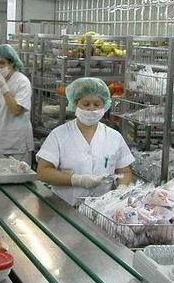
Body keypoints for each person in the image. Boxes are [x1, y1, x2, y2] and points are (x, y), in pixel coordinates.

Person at [36, 77, 134, 206]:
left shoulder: (114, 137)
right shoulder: (59, 135)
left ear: (105, 105)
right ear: (75, 104)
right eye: (86, 104)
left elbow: (125, 172)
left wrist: (122, 190)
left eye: (97, 104)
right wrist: (77, 180)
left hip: (102, 210)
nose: (91, 109)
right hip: (65, 208)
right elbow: (43, 172)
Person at [0, 44, 33, 164]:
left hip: (16, 144)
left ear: (12, 63)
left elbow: (16, 111)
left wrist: (5, 89)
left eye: (2, 63)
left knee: (18, 179)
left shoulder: (22, 82)